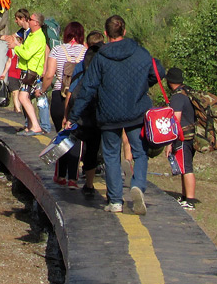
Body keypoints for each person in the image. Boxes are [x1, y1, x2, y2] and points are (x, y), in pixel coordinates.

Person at [65, 14, 163, 215]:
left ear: (106, 34)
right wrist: (141, 86)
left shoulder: (100, 57)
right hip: (136, 110)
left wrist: (73, 117)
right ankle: (137, 186)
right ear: (124, 31)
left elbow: (88, 88)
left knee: (111, 154)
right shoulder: (139, 52)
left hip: (108, 113)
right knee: (139, 151)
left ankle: (116, 201)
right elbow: (158, 72)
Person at [43, 21, 86, 186]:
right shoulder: (86, 52)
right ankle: (73, 178)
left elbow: (49, 75)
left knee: (61, 134)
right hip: (77, 98)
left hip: (59, 96)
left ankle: (60, 174)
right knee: (75, 136)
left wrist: (42, 90)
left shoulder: (57, 50)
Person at [66, 32, 104, 198]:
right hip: (103, 112)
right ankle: (105, 187)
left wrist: (67, 115)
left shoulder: (82, 64)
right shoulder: (107, 62)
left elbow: (72, 91)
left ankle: (81, 182)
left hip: (83, 112)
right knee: (100, 148)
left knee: (79, 143)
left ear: (87, 45)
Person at [1, 12, 47, 135]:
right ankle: (30, 126)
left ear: (36, 23)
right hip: (26, 69)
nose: (29, 21)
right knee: (25, 97)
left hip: (31, 71)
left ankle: (36, 126)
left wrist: (15, 47)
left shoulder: (38, 37)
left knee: (22, 97)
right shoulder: (31, 35)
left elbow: (26, 54)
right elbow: (25, 49)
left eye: (31, 19)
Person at [164, 67, 197, 211]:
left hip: (183, 136)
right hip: (191, 134)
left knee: (187, 168)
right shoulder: (188, 92)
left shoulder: (177, 97)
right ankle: (184, 197)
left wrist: (170, 143)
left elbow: (175, 120)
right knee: (184, 166)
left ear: (170, 81)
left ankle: (190, 200)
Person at [0, 9, 30, 125]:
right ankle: (27, 123)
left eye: (17, 19)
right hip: (21, 69)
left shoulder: (31, 33)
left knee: (25, 95)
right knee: (21, 95)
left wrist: (16, 44)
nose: (15, 21)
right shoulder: (22, 31)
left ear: (22, 19)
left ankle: (33, 123)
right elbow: (10, 37)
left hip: (29, 67)